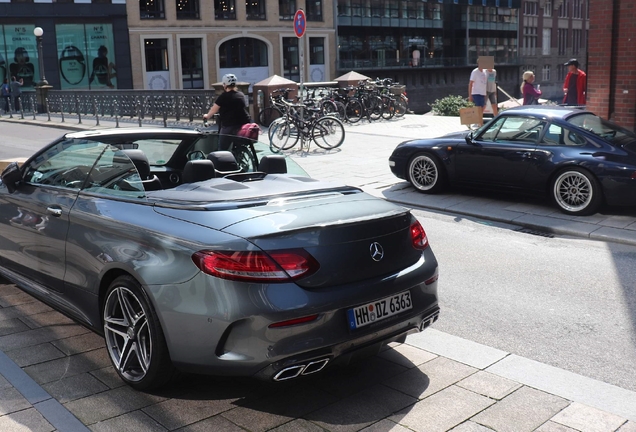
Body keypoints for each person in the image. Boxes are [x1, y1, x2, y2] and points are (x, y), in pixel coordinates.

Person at [203, 74, 251, 151]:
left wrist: (207, 116)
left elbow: (214, 110)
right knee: (238, 144)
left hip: (229, 125)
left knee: (222, 149)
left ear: (225, 85)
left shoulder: (223, 97)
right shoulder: (241, 95)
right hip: (244, 123)